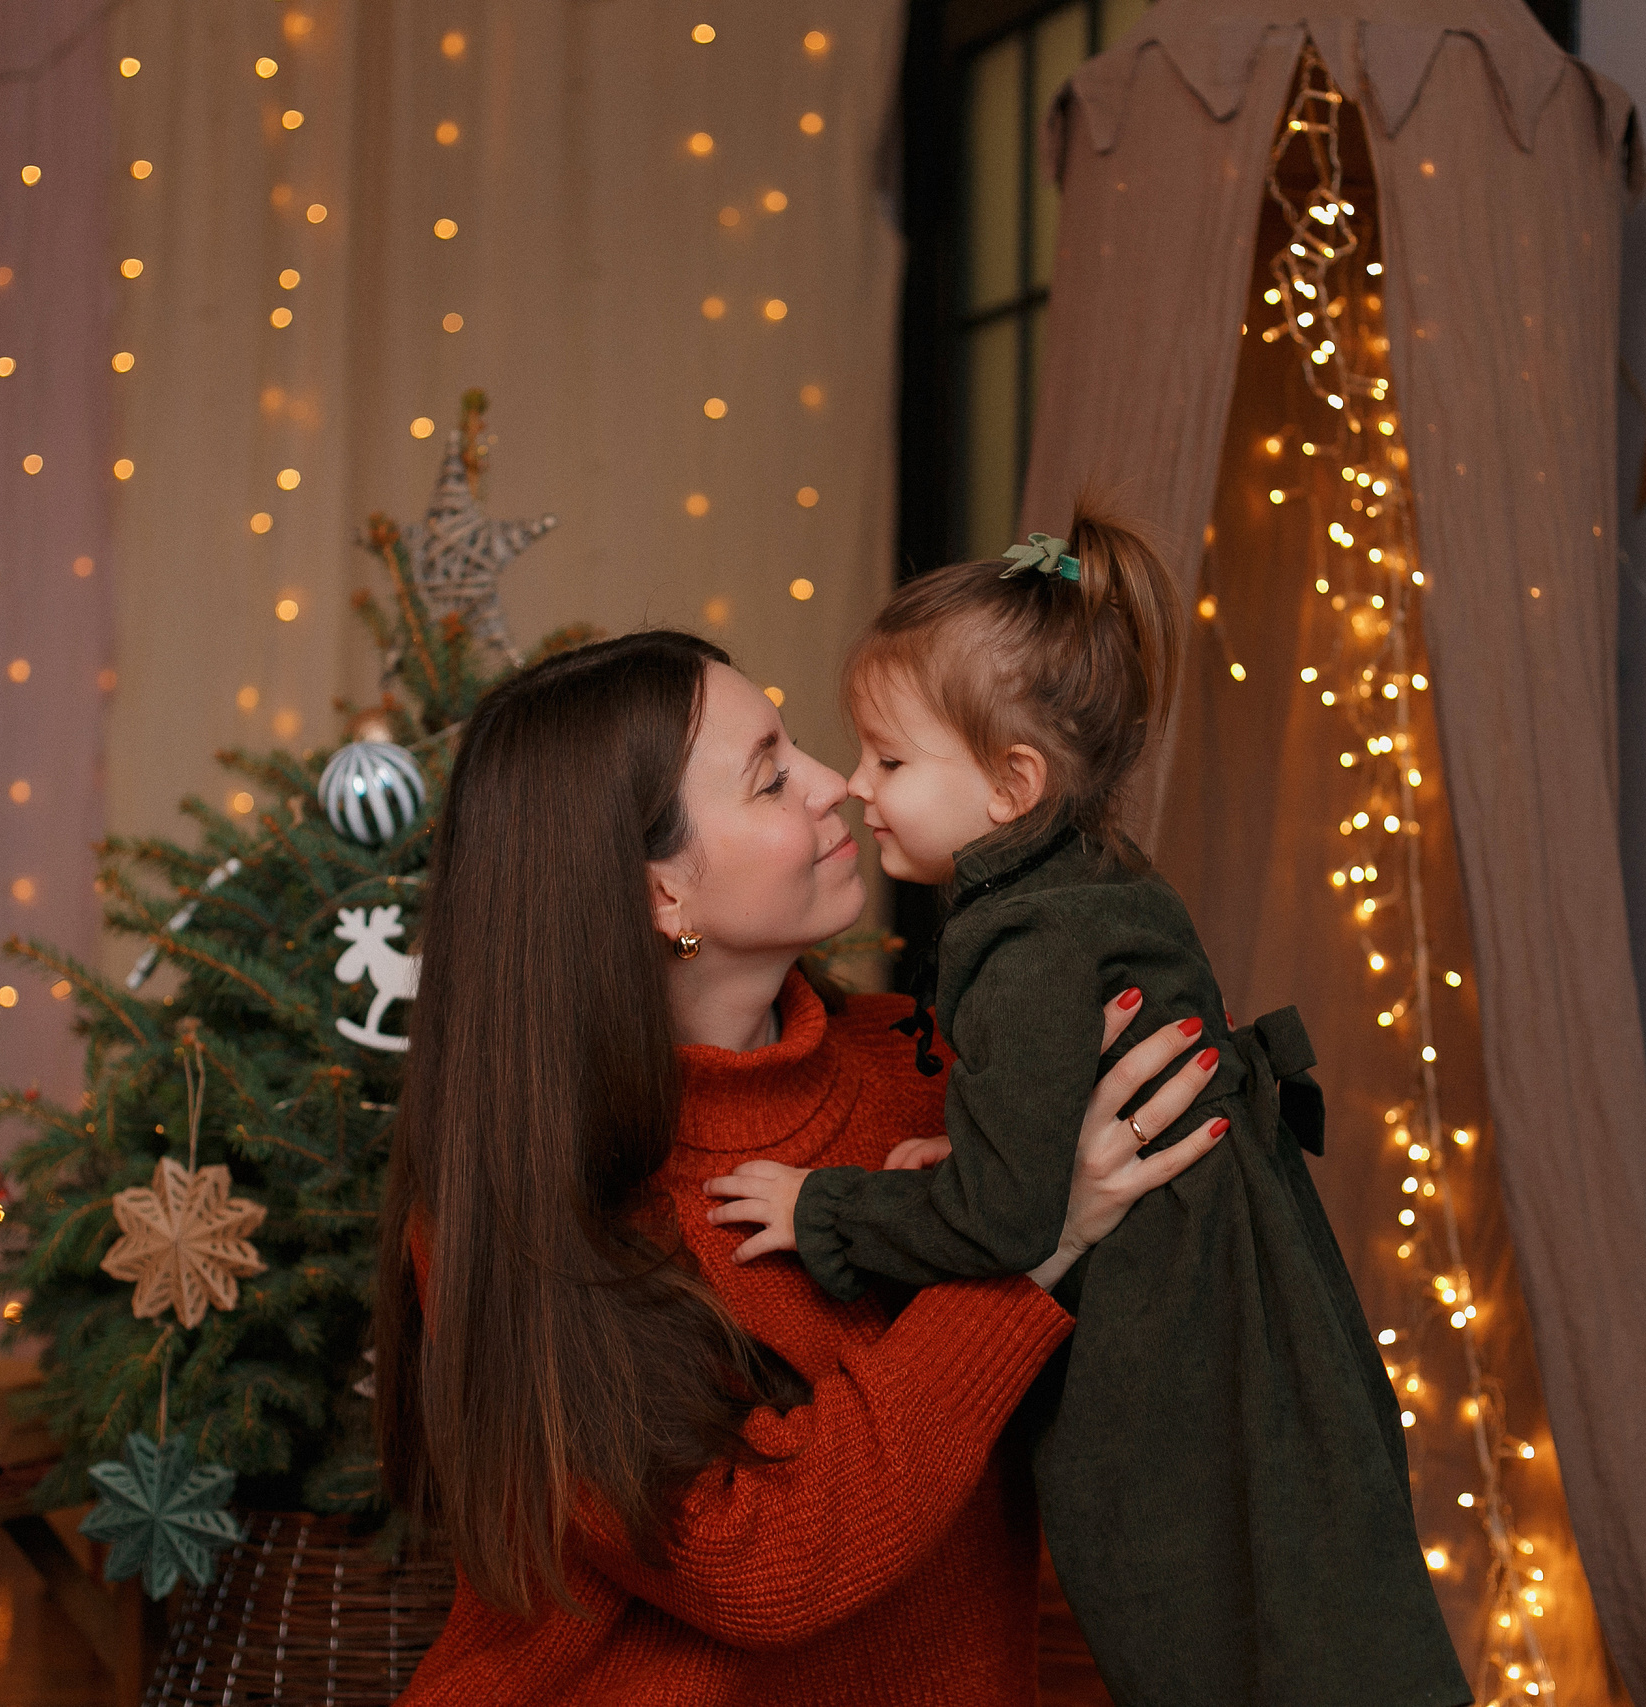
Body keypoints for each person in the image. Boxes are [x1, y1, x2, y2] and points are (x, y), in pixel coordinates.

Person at [372, 629, 1226, 1706]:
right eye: (772, 777)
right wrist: (1026, 1244)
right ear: (658, 897)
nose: (838, 787)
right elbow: (756, 1560)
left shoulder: (933, 1074)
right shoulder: (511, 1213)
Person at [703, 512, 1471, 1707]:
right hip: (1253, 1297)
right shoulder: (1092, 886)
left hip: (1173, 1341)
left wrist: (828, 1212)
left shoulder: (1023, 953)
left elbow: (1005, 1221)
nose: (851, 788)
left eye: (887, 762)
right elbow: (1036, 1160)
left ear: (1014, 784)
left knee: (1201, 1610)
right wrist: (987, 1155)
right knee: (1308, 1591)